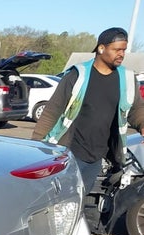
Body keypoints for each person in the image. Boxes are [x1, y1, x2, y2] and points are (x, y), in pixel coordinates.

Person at [32, 27, 144, 202]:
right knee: (60, 200)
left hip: (97, 157)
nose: (121, 54)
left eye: (124, 50)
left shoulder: (127, 79)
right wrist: (37, 146)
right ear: (101, 48)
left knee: (79, 200)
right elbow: (52, 111)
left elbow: (136, 109)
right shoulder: (77, 75)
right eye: (117, 50)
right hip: (68, 152)